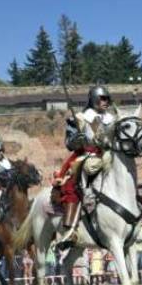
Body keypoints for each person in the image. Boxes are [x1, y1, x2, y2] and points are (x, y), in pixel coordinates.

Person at [54, 85, 115, 248]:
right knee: (71, 185)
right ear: (94, 100)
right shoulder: (80, 118)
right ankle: (70, 229)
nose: (106, 102)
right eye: (102, 99)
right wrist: (78, 140)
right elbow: (69, 143)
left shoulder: (112, 119)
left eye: (107, 99)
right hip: (88, 155)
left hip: (109, 155)